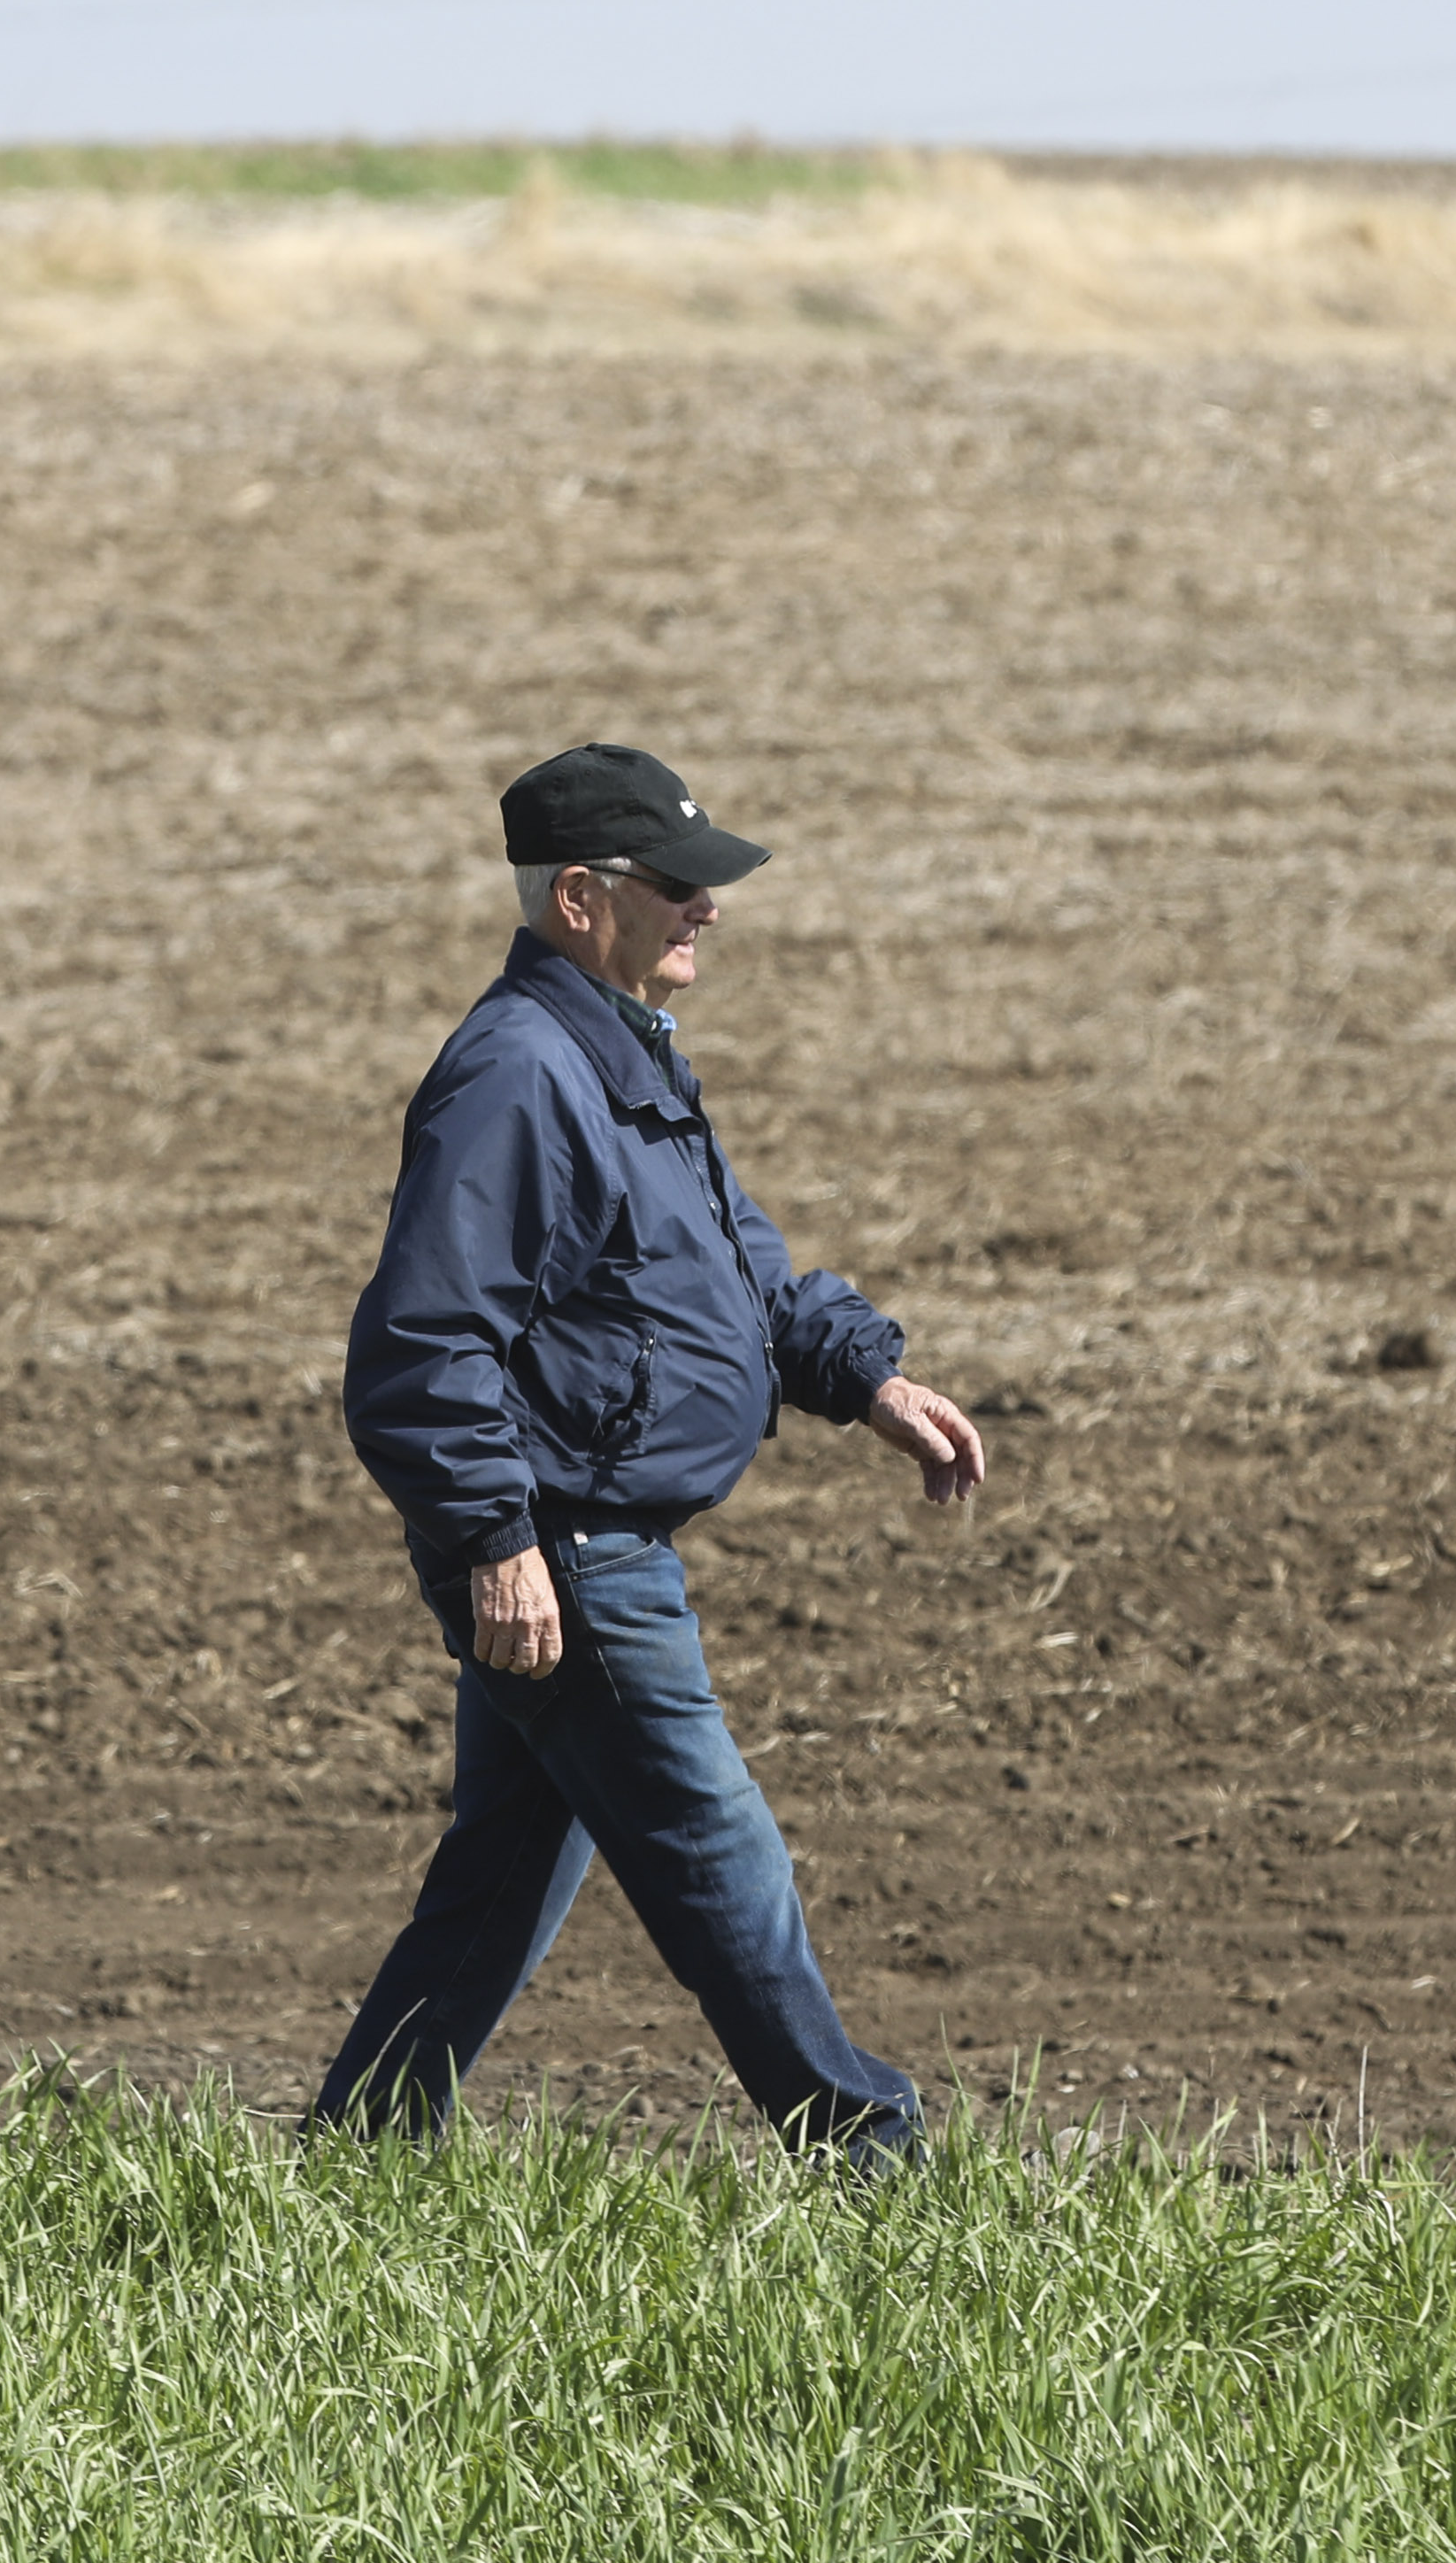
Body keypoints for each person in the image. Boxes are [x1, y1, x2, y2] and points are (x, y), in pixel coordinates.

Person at [309, 742, 992, 2164]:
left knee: (498, 1878)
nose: (709, 908)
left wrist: (861, 1376)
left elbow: (727, 1279)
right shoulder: (516, 1078)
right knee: (719, 1859)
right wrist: (499, 1544)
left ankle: (357, 2160)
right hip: (567, 1550)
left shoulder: (618, 1056)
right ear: (578, 897)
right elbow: (419, 1352)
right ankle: (871, 2155)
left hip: (575, 1542)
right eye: (678, 884)